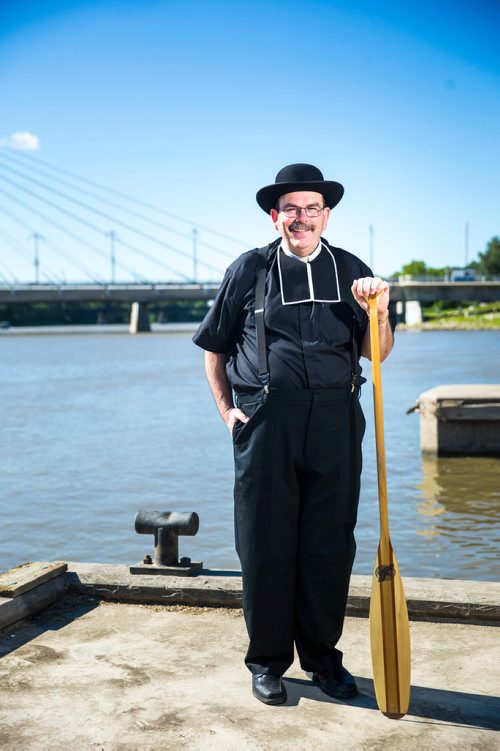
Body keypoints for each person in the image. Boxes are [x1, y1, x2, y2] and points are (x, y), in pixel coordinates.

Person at [193, 163, 394, 706]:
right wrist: (226, 410)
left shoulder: (354, 270)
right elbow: (214, 346)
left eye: (311, 208)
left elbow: (377, 354)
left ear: (326, 214)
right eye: (290, 209)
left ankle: (324, 661)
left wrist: (380, 310)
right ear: (274, 215)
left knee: (329, 547)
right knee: (265, 547)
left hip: (335, 419)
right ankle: (267, 662)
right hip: (265, 423)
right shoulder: (250, 270)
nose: (301, 218)